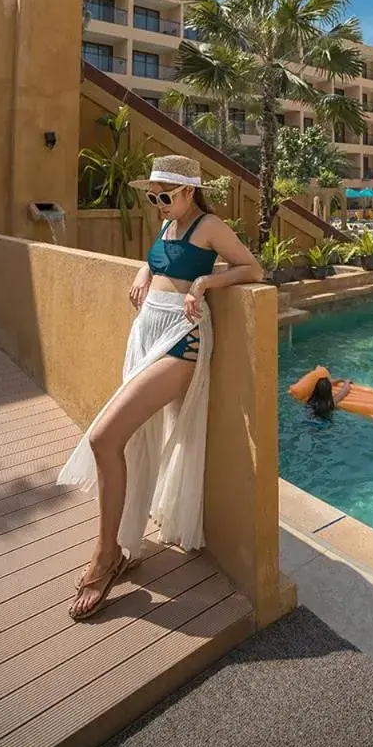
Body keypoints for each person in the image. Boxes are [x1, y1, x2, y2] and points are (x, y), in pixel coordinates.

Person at [58, 154, 263, 620]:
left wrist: (207, 281)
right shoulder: (169, 224)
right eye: (151, 196)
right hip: (147, 333)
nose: (156, 203)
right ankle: (123, 542)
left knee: (103, 437)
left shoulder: (209, 225)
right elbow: (159, 262)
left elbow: (253, 268)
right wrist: (142, 271)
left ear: (189, 191)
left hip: (181, 341)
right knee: (128, 443)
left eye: (164, 195)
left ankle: (106, 555)